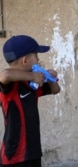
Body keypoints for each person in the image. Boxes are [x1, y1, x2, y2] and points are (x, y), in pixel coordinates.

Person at [0, 35, 60, 167]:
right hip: (14, 155)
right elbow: (5, 75)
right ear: (25, 60)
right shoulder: (10, 87)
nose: (38, 59)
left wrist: (50, 78)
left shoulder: (30, 84)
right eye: (36, 55)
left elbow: (55, 90)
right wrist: (32, 75)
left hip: (32, 152)